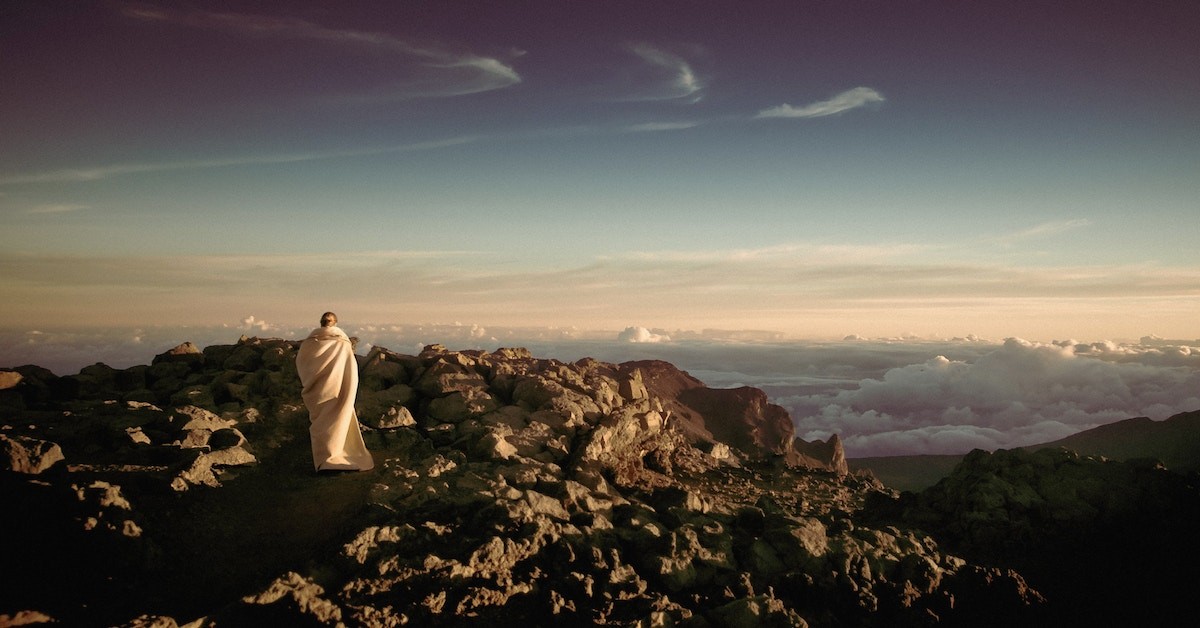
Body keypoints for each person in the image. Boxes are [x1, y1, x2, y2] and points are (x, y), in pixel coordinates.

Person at [295, 311, 374, 472]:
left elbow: (302, 364)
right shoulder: (342, 342)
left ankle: (322, 459)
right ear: (335, 323)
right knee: (335, 421)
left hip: (315, 391)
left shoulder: (308, 343)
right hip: (336, 390)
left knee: (320, 421)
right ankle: (332, 457)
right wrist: (347, 389)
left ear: (321, 323)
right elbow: (349, 369)